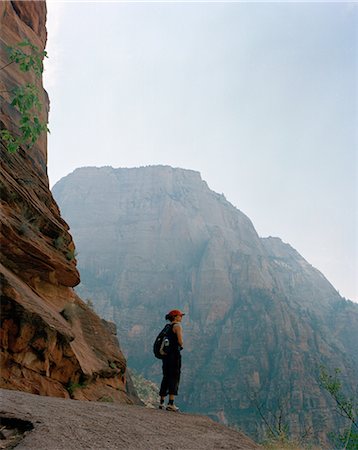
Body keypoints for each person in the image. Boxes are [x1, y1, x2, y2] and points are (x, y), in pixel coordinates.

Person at [159, 309, 185, 412]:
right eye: (180, 316)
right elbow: (180, 341)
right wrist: (181, 345)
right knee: (174, 377)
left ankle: (161, 402)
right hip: (174, 356)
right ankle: (171, 403)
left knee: (166, 376)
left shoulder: (167, 327)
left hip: (166, 356)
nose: (181, 317)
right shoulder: (177, 326)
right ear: (175, 317)